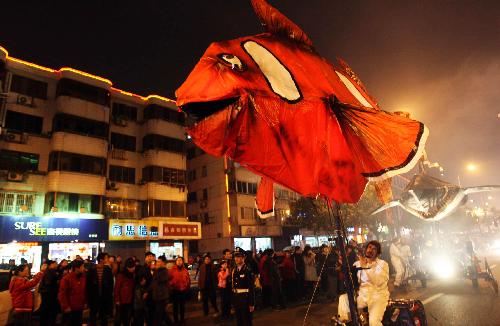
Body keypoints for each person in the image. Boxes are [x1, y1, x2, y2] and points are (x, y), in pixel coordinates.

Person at [354, 240, 390, 326]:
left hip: (378, 296)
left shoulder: (382, 264)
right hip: (362, 295)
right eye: (369, 247)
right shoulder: (357, 263)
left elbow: (377, 281)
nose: (370, 250)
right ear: (365, 249)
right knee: (343, 300)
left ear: (377, 253)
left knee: (374, 322)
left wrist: (365, 267)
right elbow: (353, 280)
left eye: (374, 249)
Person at [87, 252, 114, 326]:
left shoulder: (107, 269)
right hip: (94, 297)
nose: (108, 259)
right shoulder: (92, 269)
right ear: (101, 260)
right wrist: (88, 298)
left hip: (104, 297)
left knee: (104, 316)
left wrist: (109, 295)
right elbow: (88, 285)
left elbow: (111, 284)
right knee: (93, 315)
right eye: (106, 258)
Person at [59, 259, 87, 326]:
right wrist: (66, 306)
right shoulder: (67, 278)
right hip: (70, 308)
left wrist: (85, 302)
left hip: (79, 307)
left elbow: (84, 291)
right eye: (82, 266)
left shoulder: (83, 277)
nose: (84, 268)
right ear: (77, 268)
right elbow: (62, 293)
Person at [232, 250, 255, 326]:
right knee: (239, 320)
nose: (236, 259)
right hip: (237, 298)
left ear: (243, 258)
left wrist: (251, 303)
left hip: (245, 299)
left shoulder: (247, 270)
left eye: (238, 257)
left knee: (247, 320)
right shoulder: (235, 270)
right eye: (235, 257)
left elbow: (251, 288)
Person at [114, 258, 136, 326]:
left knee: (127, 319)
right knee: (118, 319)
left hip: (129, 301)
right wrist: (117, 300)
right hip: (121, 301)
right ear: (127, 267)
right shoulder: (121, 275)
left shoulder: (133, 275)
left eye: (133, 267)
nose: (133, 269)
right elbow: (116, 288)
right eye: (131, 267)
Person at [169, 256, 191, 324]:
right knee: (175, 307)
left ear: (182, 262)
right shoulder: (172, 270)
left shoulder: (185, 270)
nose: (179, 261)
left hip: (183, 291)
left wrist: (187, 287)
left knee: (182, 306)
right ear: (176, 262)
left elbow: (188, 280)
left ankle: (182, 319)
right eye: (178, 260)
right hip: (175, 290)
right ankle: (176, 320)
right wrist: (171, 285)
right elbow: (168, 279)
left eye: (180, 260)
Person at [151, 255, 172, 325]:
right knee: (162, 313)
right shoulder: (157, 271)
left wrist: (155, 270)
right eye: (157, 261)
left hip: (162, 296)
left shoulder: (165, 271)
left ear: (163, 263)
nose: (157, 262)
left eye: (159, 261)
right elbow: (154, 282)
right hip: (157, 295)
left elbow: (161, 279)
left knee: (159, 314)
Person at [39, 260, 60, 326]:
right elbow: (48, 283)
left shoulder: (48, 271)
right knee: (48, 310)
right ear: (51, 265)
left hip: (46, 293)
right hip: (49, 293)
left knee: (46, 309)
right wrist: (57, 282)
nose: (56, 265)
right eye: (55, 264)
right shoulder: (50, 272)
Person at [136, 251, 156, 325]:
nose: (151, 258)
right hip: (146, 294)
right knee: (147, 312)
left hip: (153, 293)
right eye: (149, 257)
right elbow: (140, 281)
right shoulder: (143, 268)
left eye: (151, 256)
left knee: (152, 312)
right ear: (145, 258)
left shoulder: (154, 267)